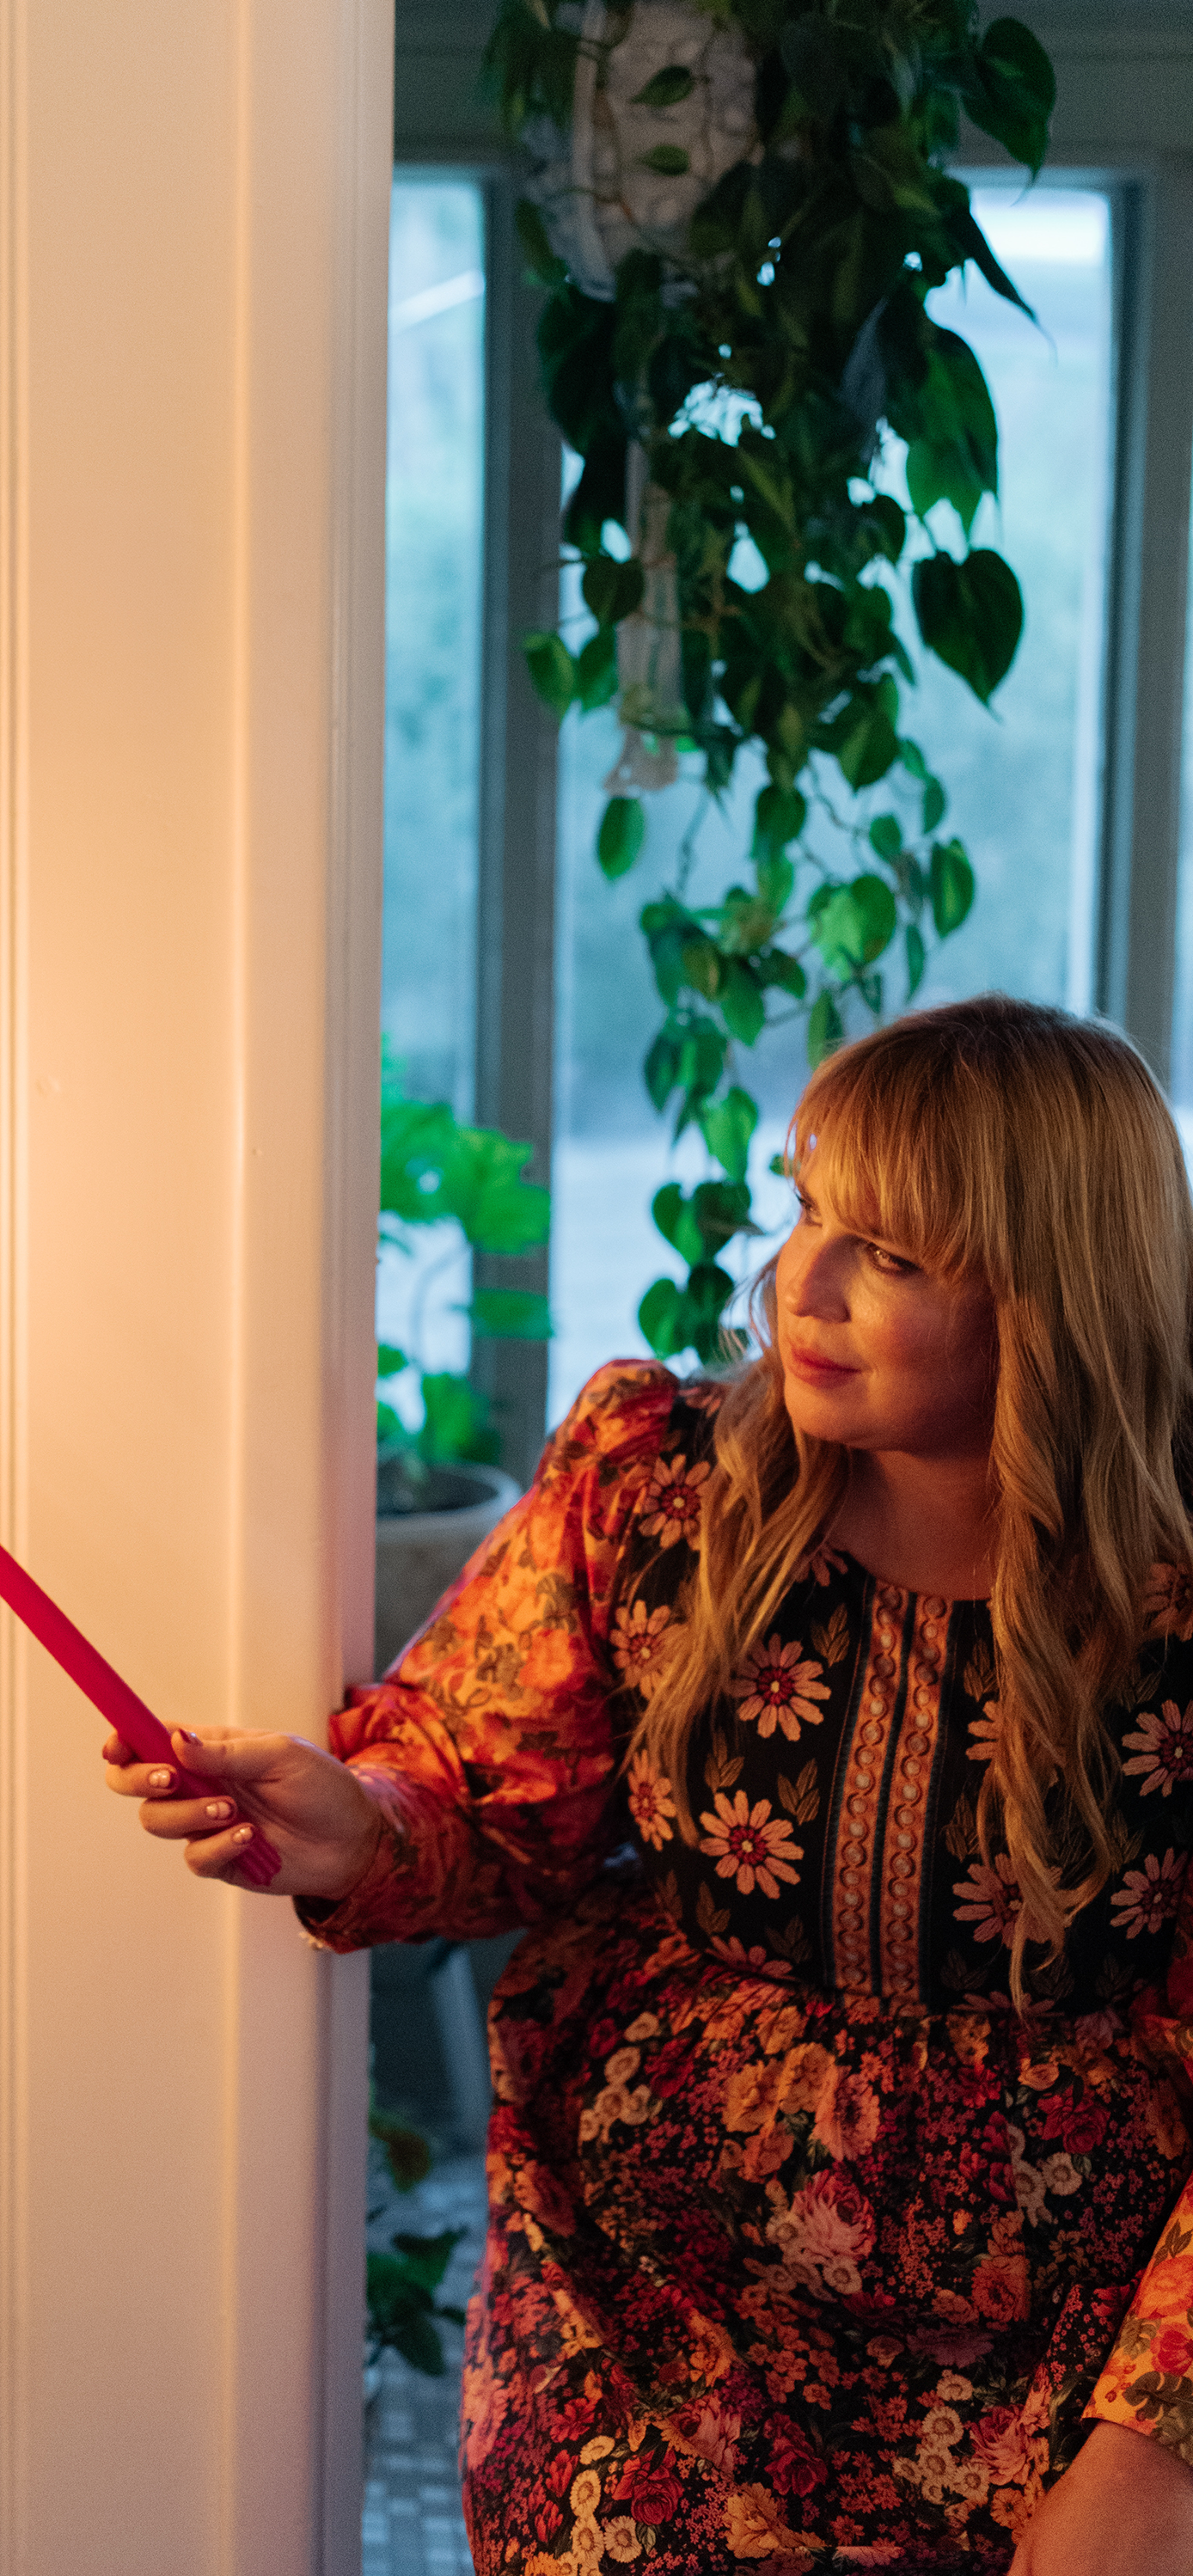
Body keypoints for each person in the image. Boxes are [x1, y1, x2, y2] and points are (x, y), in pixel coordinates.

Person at [106, 995, 1193, 2575]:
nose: (796, 1282)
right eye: (809, 1207)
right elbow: (482, 1796)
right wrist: (362, 1822)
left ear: (1056, 1291)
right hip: (650, 2297)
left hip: (1068, 2345)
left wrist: (1152, 2452)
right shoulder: (660, 1483)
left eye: (887, 1253)